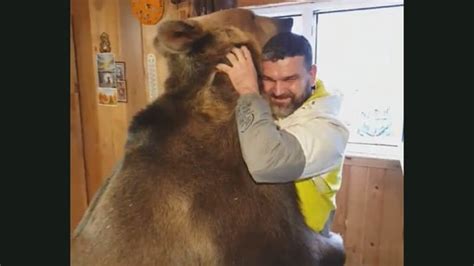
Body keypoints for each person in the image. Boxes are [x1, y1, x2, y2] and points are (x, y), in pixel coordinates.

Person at [216, 32, 349, 238]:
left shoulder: (329, 129)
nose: (278, 91)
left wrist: (248, 91)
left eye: (289, 79)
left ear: (311, 75)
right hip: (264, 236)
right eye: (269, 79)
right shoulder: (268, 108)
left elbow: (266, 163)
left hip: (304, 246)